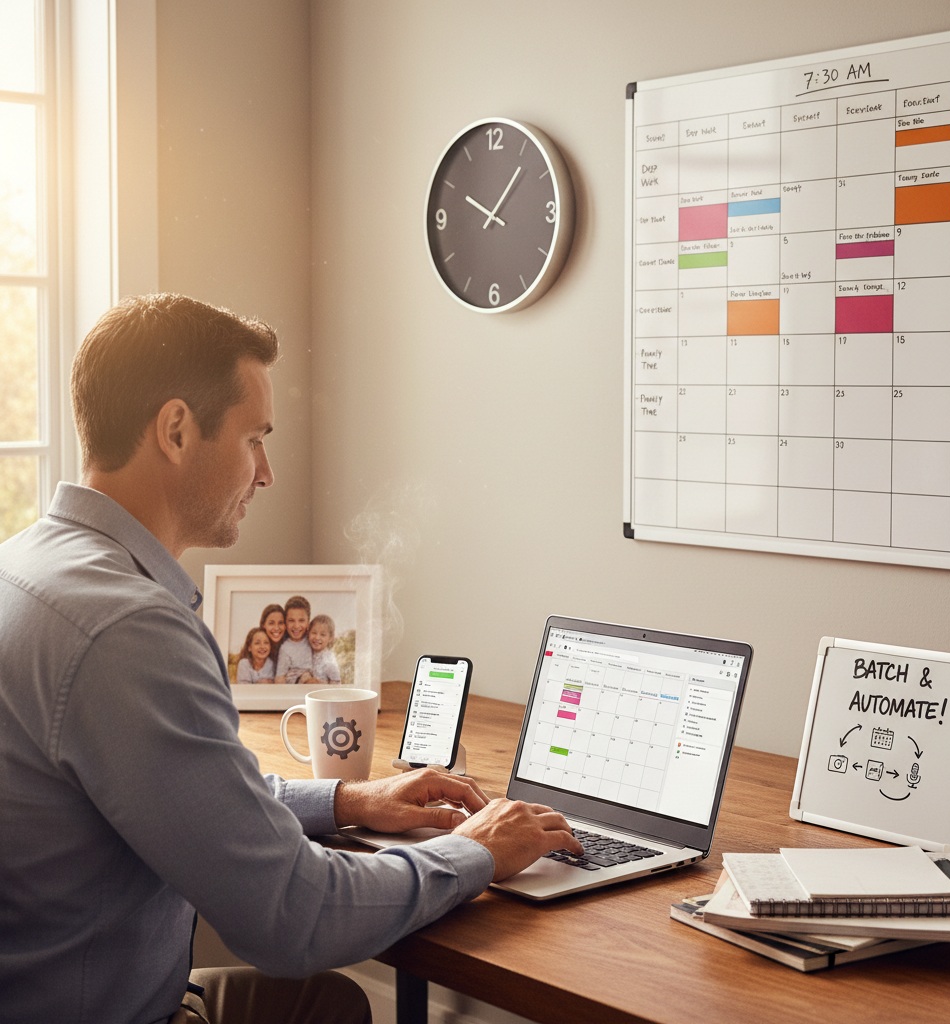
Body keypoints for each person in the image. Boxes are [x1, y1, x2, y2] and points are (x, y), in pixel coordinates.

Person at [0, 293, 581, 1024]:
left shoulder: (26, 565)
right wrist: (476, 851)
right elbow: (292, 915)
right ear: (177, 430)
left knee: (323, 1006)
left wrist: (345, 801)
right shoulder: (128, 628)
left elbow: (180, 794)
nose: (266, 472)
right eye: (254, 439)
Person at [275, 595, 315, 684]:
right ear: (285, 622)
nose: (296, 626)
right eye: (291, 620)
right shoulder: (285, 648)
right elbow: (279, 678)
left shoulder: (313, 640)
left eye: (301, 620)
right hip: (296, 687)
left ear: (308, 622)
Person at [307, 614, 342, 685]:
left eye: (322, 635)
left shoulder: (329, 659)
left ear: (330, 638)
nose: (317, 637)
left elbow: (336, 683)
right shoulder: (307, 651)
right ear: (308, 633)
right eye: (314, 633)